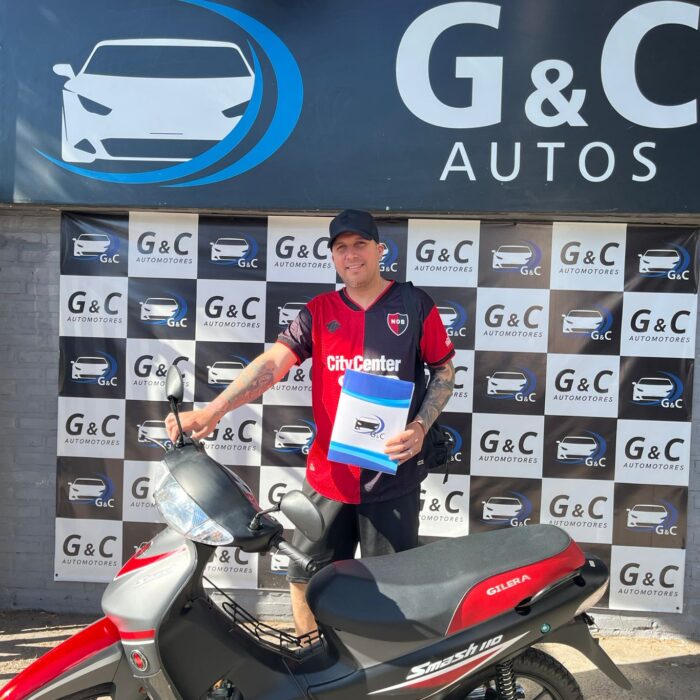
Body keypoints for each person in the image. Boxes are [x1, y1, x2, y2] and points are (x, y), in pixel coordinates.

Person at [165, 209, 455, 635]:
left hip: (392, 477)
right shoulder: (319, 311)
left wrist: (421, 426)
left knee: (396, 590)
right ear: (333, 257)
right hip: (329, 478)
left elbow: (444, 372)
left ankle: (384, 669)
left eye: (360, 245)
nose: (351, 255)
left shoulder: (414, 305)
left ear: (380, 250)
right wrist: (214, 409)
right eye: (341, 248)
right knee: (304, 578)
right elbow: (272, 364)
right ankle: (312, 657)